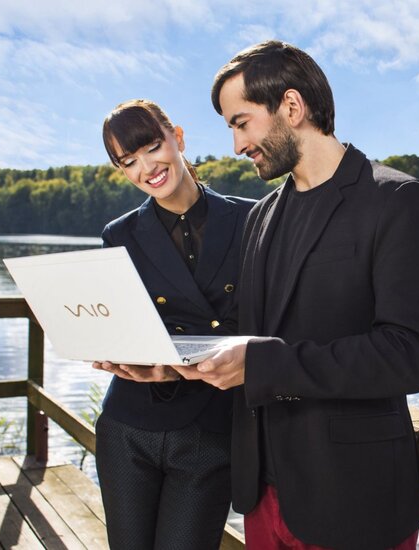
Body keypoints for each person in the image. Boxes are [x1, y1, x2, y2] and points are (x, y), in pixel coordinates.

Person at [184, 40, 419, 549]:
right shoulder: (259, 217)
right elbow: (246, 331)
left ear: (291, 106)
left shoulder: (397, 200)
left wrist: (263, 365)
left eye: (241, 123)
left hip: (354, 503)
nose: (237, 145)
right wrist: (168, 361)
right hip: (263, 496)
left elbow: (413, 355)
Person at [91, 99, 255, 550]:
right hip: (129, 424)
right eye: (128, 161)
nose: (146, 167)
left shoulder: (252, 218)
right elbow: (121, 323)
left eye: (151, 147)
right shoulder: (118, 235)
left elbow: (262, 323)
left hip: (209, 428)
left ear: (177, 138)